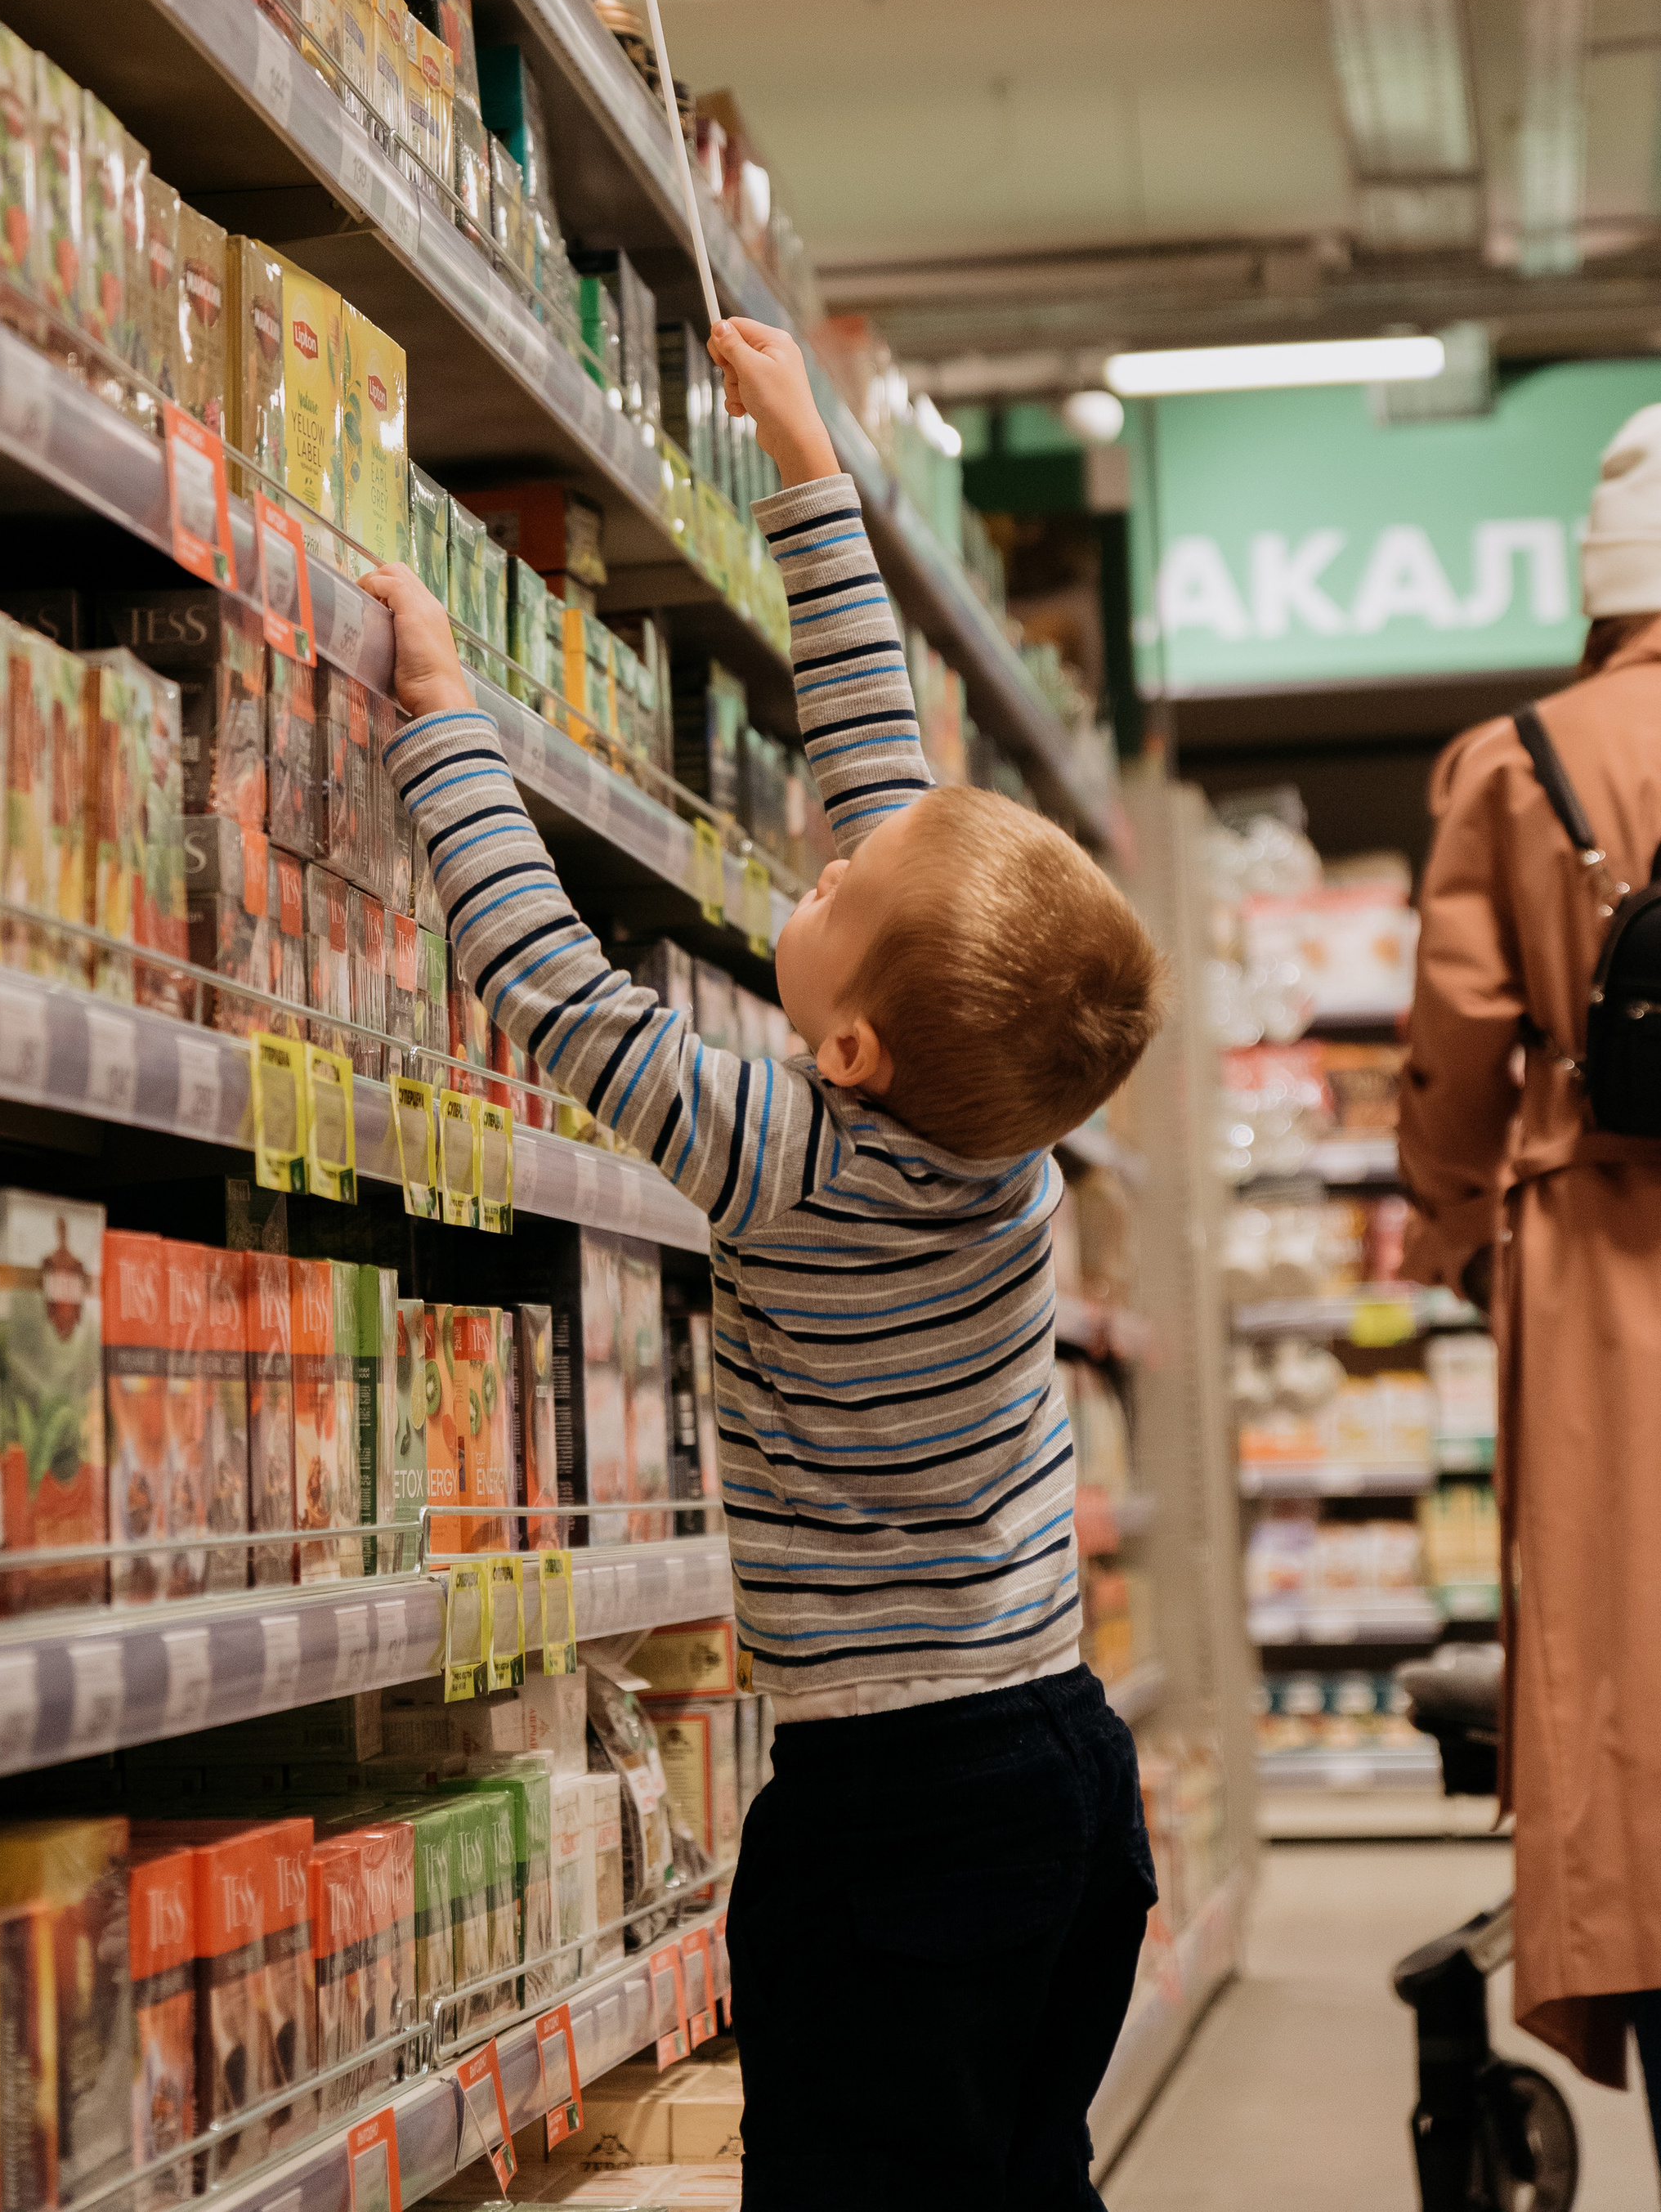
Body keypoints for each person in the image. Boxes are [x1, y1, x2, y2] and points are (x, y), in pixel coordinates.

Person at [365, 315, 1166, 2209]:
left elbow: (551, 984)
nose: (817, 865)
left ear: (847, 1048)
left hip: (892, 1816)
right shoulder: (1011, 1160)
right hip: (1061, 1768)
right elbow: (878, 772)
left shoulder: (780, 1154)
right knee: (1017, 2175)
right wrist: (804, 466)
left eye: (827, 895)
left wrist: (434, 715)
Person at [1402, 401, 1661, 2143]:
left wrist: (1464, 1239)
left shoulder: (1516, 761)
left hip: (1601, 1264)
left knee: (1619, 1661)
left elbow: (1455, 1048)